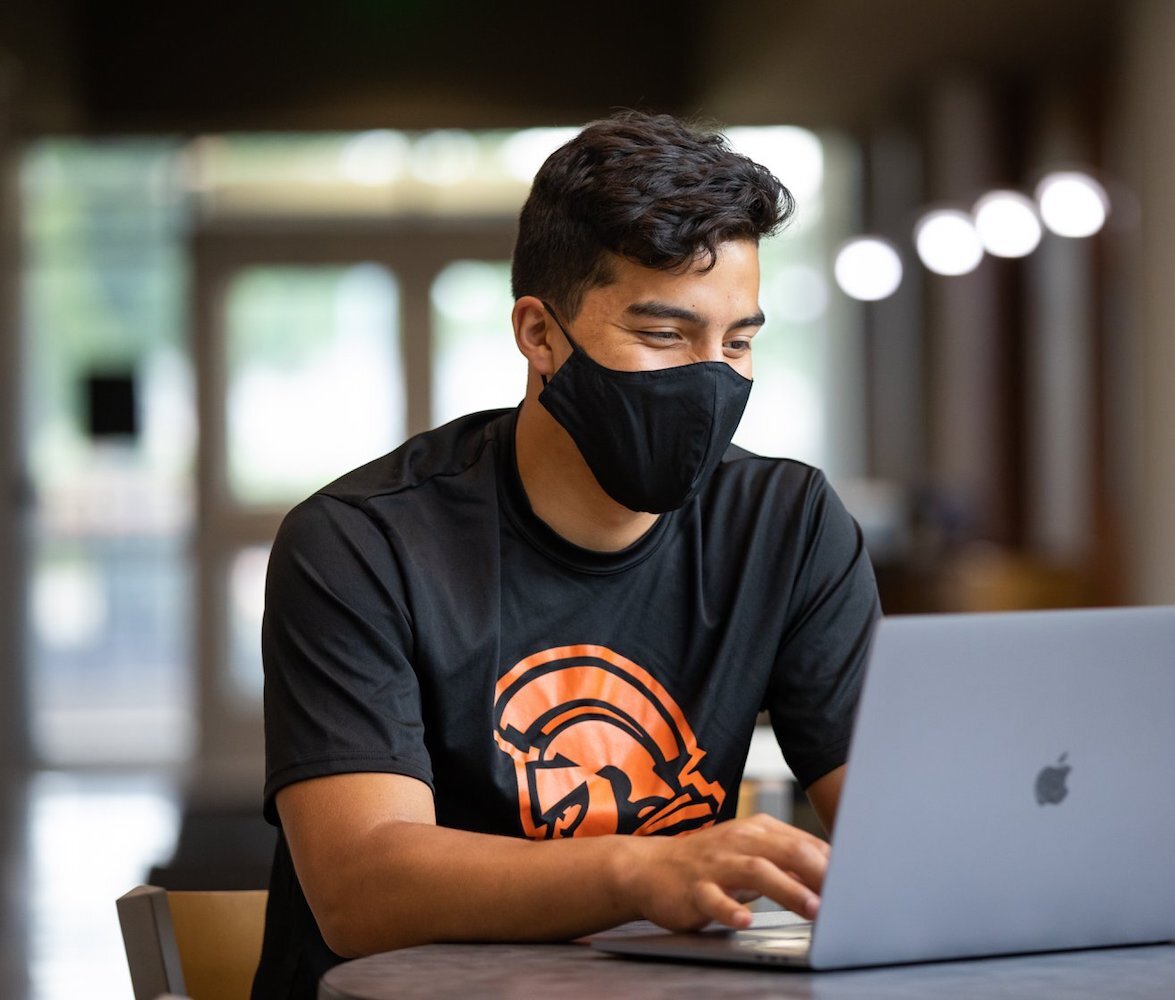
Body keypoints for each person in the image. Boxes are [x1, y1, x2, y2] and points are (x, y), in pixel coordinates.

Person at [251, 111, 881, 999]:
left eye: (737, 342)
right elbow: (362, 887)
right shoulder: (363, 541)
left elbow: (897, 840)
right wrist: (640, 872)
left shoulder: (790, 524)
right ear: (540, 335)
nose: (710, 377)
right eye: (663, 336)